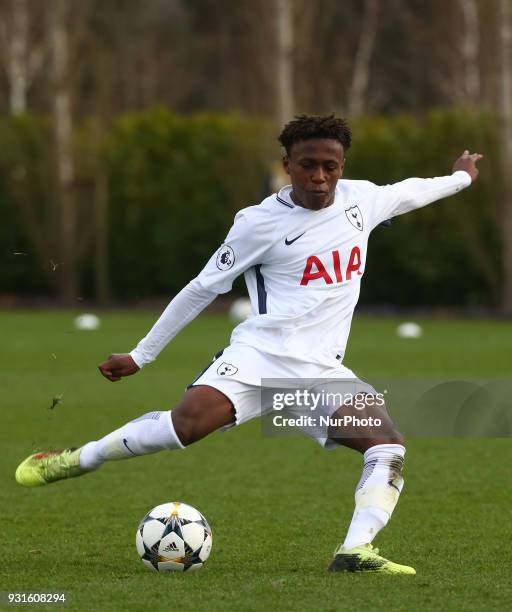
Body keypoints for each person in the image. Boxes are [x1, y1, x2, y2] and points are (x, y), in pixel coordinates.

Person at [15, 115, 483, 575]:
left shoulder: (363, 199)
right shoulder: (258, 223)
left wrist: (460, 177)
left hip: (320, 371)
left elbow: (413, 190)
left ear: (342, 164)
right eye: (307, 165)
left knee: (388, 447)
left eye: (330, 166)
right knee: (185, 427)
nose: (319, 177)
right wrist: (141, 355)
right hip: (258, 357)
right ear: (286, 163)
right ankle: (80, 459)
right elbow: (201, 289)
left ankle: (355, 551)